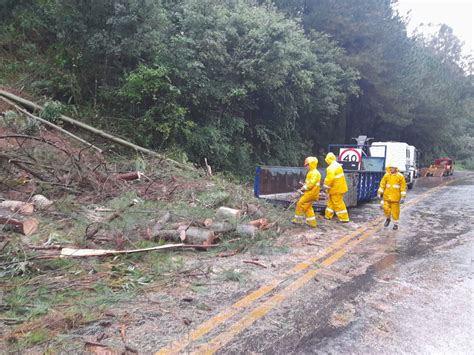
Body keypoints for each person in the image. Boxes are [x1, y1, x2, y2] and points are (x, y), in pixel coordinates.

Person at [291, 156, 321, 228]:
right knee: (308, 207)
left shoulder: (315, 173)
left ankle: (298, 220)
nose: (306, 166)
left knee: (300, 203)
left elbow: (310, 184)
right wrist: (303, 186)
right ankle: (312, 223)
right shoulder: (311, 172)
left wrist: (302, 189)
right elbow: (308, 183)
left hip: (311, 193)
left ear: (311, 164)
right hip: (310, 193)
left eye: (307, 165)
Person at [378, 165, 407, 230]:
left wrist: (403, 197)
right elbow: (382, 184)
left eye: (392, 168)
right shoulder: (386, 175)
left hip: (395, 198)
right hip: (386, 197)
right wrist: (379, 193)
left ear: (396, 168)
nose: (391, 169)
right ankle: (388, 218)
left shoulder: (400, 177)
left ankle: (395, 224)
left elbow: (403, 187)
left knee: (395, 212)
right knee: (385, 208)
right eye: (390, 168)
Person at [323, 152, 349, 222]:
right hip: (338, 188)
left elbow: (330, 179)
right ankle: (327, 216)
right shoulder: (338, 165)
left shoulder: (330, 168)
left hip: (336, 189)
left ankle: (344, 218)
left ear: (328, 159)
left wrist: (325, 187)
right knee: (331, 203)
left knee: (338, 203)